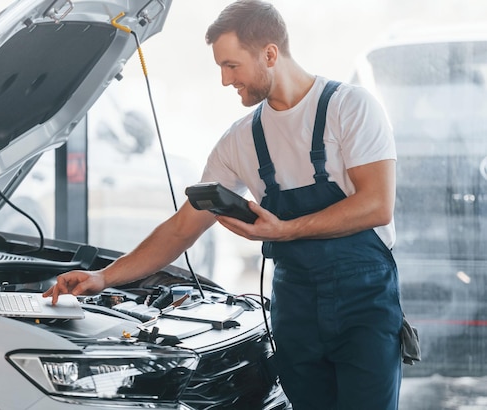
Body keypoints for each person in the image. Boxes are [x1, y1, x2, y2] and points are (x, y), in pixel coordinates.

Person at [44, 1, 403, 408]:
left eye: (231, 66)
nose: (224, 80)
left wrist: (285, 230)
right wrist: (105, 278)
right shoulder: (240, 139)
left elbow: (376, 205)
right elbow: (182, 228)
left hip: (363, 301)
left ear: (270, 54)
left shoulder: (350, 107)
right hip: (296, 305)